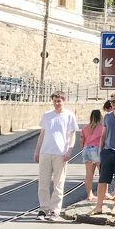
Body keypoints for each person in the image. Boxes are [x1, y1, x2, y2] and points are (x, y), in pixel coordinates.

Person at [33, 91, 79, 221]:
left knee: (59, 183)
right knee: (43, 182)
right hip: (45, 152)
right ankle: (43, 209)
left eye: (59, 101)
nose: (57, 104)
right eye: (54, 101)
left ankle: (55, 210)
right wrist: (37, 151)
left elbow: (72, 135)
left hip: (60, 153)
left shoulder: (69, 115)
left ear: (63, 101)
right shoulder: (47, 115)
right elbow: (42, 134)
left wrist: (69, 150)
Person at [80, 109, 103, 200]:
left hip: (86, 149)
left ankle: (90, 195)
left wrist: (84, 147)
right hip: (97, 149)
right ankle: (104, 193)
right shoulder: (102, 128)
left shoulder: (85, 128)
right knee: (103, 173)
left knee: (89, 174)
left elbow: (81, 140)